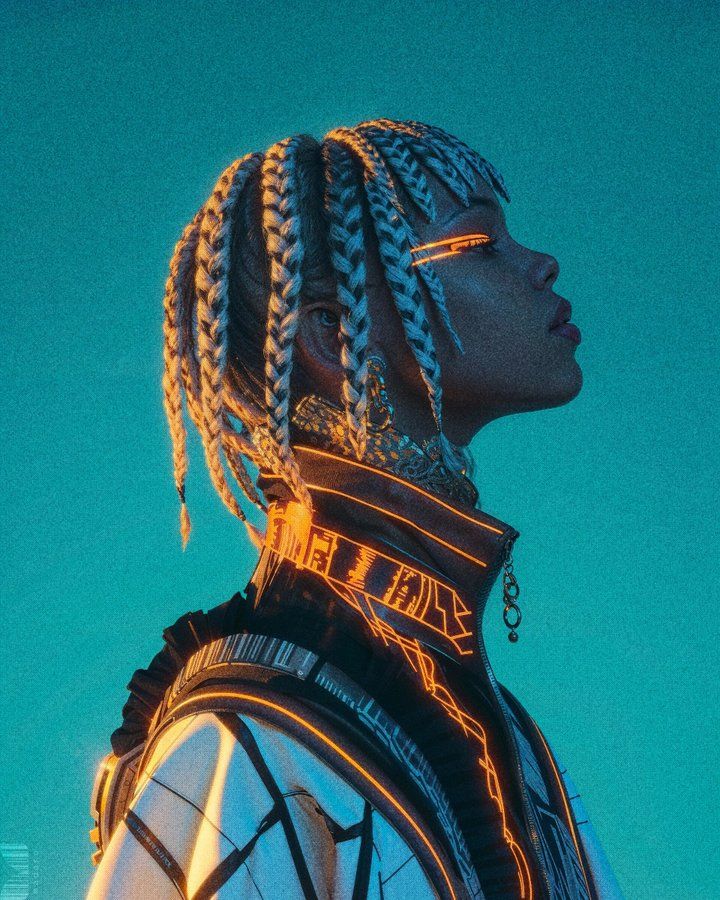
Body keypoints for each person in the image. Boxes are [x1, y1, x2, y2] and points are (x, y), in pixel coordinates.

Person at [86, 119, 624, 899]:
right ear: (336, 334)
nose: (542, 264)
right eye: (481, 243)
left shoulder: (508, 738)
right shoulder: (246, 741)